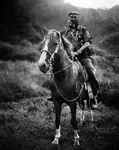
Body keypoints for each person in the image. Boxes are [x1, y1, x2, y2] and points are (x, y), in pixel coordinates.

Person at [48, 11, 99, 108]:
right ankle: (53, 93)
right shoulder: (64, 33)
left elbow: (87, 43)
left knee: (91, 72)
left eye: (75, 17)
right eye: (71, 17)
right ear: (68, 19)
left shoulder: (83, 30)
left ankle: (93, 98)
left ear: (78, 18)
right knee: (54, 71)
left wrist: (78, 51)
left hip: (82, 57)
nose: (73, 19)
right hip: (69, 58)